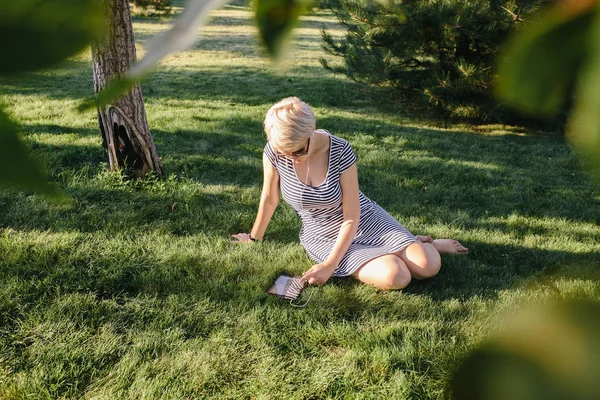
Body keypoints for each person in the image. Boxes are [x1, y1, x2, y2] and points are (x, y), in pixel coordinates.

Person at [232, 97, 468, 290]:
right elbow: (270, 198)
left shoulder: (340, 149)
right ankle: (402, 248)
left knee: (428, 266)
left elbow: (352, 215)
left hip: (361, 217)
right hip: (322, 233)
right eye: (284, 152)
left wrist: (329, 266)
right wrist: (254, 239)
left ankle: (425, 244)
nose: (290, 157)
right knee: (397, 276)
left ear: (311, 131)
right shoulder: (275, 151)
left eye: (297, 151)